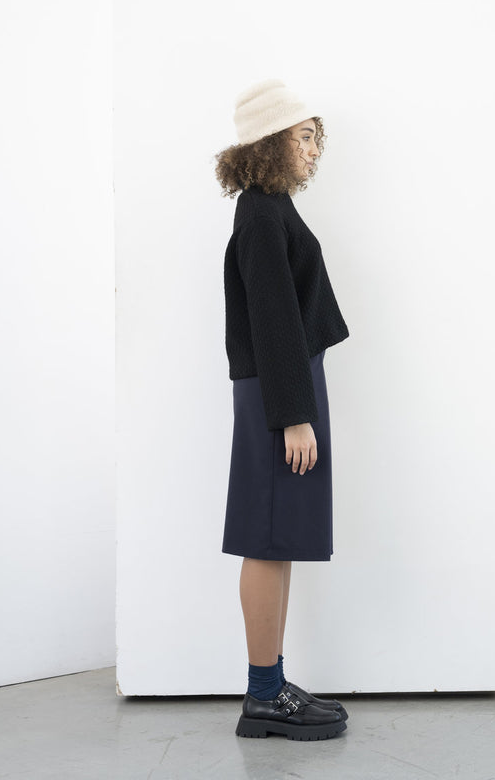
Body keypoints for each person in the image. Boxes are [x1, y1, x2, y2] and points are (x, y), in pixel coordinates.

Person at [214, 78, 351, 741]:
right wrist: (294, 416)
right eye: (304, 137)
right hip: (279, 394)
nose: (314, 150)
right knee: (268, 539)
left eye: (316, 137)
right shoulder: (262, 216)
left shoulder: (269, 208)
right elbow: (273, 320)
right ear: (270, 142)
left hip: (285, 387)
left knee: (280, 537)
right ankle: (264, 695)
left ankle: (270, 685)